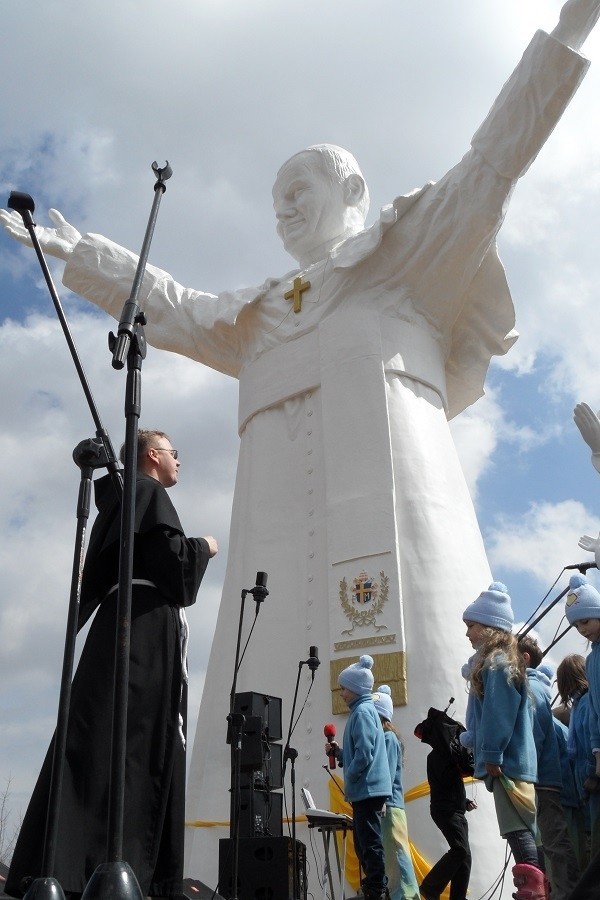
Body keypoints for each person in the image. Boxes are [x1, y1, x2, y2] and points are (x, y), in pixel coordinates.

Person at [2, 4, 600, 889]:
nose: (284, 209)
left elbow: (490, 167)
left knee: (425, 707)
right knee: (251, 722)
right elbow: (166, 302)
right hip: (271, 552)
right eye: (275, 197)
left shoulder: (405, 256)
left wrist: (568, 36)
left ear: (351, 192)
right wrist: (72, 255)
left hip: (401, 512)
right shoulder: (258, 319)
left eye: (301, 191)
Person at [5, 430, 218, 900]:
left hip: (117, 624)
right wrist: (204, 545)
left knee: (98, 737)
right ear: (152, 456)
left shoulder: (124, 501)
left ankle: (64, 865)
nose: (179, 461)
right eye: (174, 452)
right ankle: (136, 872)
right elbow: (178, 572)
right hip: (143, 628)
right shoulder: (148, 492)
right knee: (139, 743)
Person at [461, 583, 543, 900]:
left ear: (490, 626)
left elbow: (497, 713)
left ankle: (533, 890)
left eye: (472, 625)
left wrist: (492, 753)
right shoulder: (501, 662)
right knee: (522, 828)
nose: (468, 633)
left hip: (507, 763)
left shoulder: (495, 664)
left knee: (517, 829)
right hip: (515, 760)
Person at [517, 635, 580, 899]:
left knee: (556, 847)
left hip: (546, 782)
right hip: (567, 787)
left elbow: (532, 739)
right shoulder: (546, 699)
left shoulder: (531, 693)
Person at [326, 656, 391, 900]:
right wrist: (340, 754)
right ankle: (373, 886)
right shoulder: (363, 711)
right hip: (366, 788)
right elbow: (359, 753)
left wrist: (350, 775)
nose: (341, 693)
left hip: (368, 788)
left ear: (355, 688)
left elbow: (365, 754)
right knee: (364, 842)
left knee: (369, 842)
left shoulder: (362, 712)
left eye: (344, 688)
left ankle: (375, 889)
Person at [413, 706, 474, 900]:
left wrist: (464, 802)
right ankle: (430, 887)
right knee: (460, 850)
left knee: (465, 857)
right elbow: (445, 786)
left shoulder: (446, 756)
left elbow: (451, 787)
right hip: (445, 811)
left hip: (455, 810)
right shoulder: (437, 758)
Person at [371, 685, 419, 900]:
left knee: (397, 855)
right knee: (391, 856)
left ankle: (407, 896)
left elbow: (387, 773)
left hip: (389, 807)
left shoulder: (388, 739)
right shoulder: (384, 739)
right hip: (387, 806)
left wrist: (383, 799)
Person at [556, 652, 599, 868]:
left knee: (591, 850)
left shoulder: (582, 708)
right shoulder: (585, 703)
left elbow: (588, 745)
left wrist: (591, 775)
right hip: (587, 784)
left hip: (589, 784)